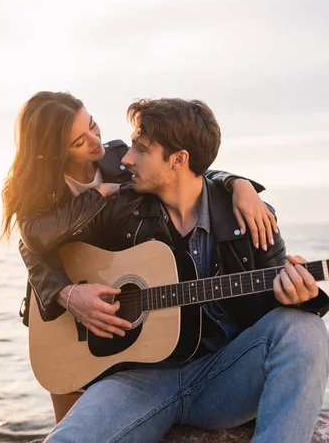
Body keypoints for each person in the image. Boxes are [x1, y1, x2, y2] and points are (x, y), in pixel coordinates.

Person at [20, 97, 329, 443]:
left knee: (306, 328)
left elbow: (274, 318)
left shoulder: (251, 217)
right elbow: (37, 242)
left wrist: (300, 297)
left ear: (179, 159)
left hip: (222, 376)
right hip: (137, 382)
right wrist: (69, 293)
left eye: (141, 149)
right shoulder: (120, 207)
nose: (124, 158)